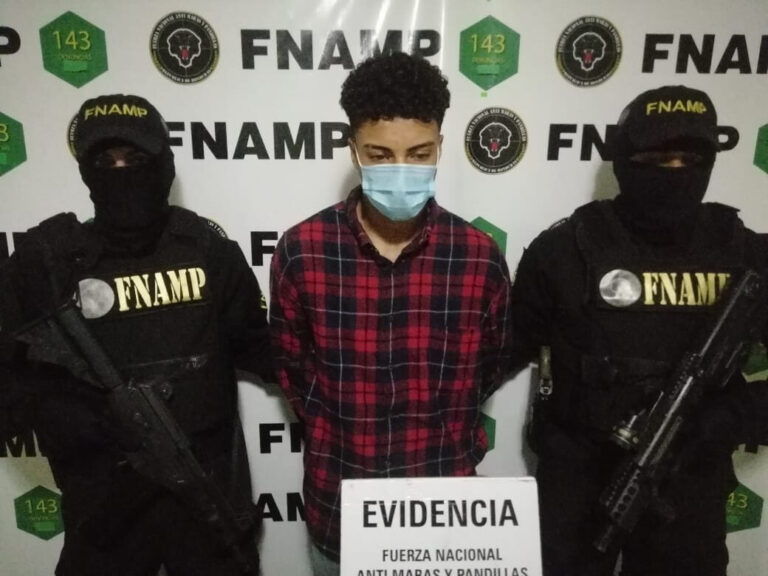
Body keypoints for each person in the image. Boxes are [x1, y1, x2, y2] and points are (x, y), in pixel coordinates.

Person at [0, 94, 271, 576]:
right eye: (105, 162)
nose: (122, 173)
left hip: (204, 508)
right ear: (85, 172)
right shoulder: (48, 262)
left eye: (137, 159)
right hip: (103, 510)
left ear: (164, 164)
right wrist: (77, 418)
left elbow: (267, 350)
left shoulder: (207, 251)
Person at [269, 52, 513, 575]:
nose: (400, 169)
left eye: (419, 153)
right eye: (380, 154)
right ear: (353, 149)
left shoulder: (478, 256)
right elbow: (294, 371)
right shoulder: (302, 250)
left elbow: (489, 367)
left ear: (441, 146)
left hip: (447, 512)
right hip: (341, 503)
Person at [509, 85, 768, 576]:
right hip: (578, 485)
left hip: (691, 483)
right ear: (623, 160)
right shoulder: (564, 251)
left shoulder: (744, 253)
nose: (675, 173)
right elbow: (506, 347)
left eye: (691, 159)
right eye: (655, 158)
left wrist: (733, 415)